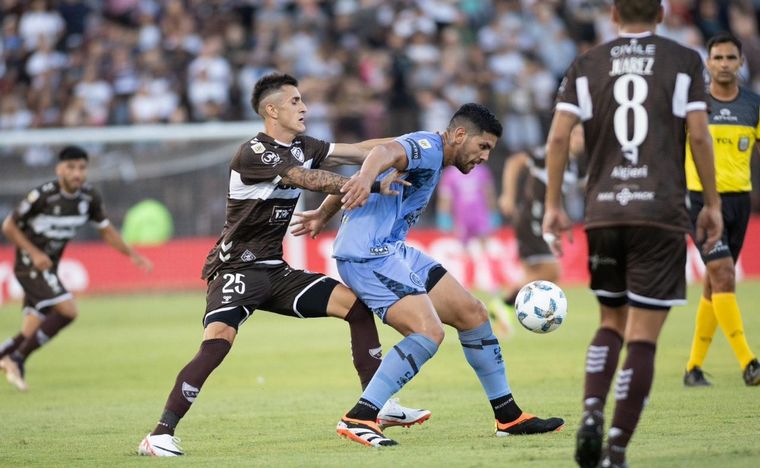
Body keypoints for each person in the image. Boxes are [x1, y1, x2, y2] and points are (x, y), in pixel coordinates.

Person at [137, 73, 428, 457]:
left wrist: (411, 147)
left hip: (276, 270)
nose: (304, 107)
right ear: (271, 110)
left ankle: (379, 404)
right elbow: (307, 179)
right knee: (218, 342)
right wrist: (370, 184)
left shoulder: (305, 144)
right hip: (236, 269)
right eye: (294, 101)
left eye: (302, 100)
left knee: (356, 308)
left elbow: (358, 150)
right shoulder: (254, 152)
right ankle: (159, 434)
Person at [292, 103, 564, 447]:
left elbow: (376, 167)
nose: (484, 156)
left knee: (473, 314)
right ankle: (361, 415)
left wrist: (322, 212)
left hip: (393, 248)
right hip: (367, 254)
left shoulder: (431, 151)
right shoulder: (428, 148)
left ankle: (508, 416)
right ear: (460, 135)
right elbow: (380, 152)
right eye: (483, 147)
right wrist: (360, 180)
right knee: (428, 333)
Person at [542, 1, 723, 467]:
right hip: (660, 212)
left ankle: (589, 413)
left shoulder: (586, 65)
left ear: (614, 15)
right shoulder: (684, 60)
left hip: (604, 212)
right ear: (661, 15)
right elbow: (700, 137)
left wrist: (554, 206)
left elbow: (559, 137)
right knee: (643, 337)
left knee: (610, 324)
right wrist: (713, 203)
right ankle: (616, 449)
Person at [0, 145, 153, 391]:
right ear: (59, 169)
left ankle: (10, 356)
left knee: (29, 330)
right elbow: (9, 226)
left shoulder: (89, 198)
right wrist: (35, 252)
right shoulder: (43, 196)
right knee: (68, 310)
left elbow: (106, 230)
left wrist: (132, 254)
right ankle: (16, 359)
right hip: (31, 264)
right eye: (71, 167)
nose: (77, 173)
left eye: (82, 167)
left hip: (48, 267)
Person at [682, 32, 760, 387]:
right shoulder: (693, 106)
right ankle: (749, 362)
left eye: (731, 58)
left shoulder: (753, 106)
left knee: (716, 284)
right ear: (708, 63)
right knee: (725, 274)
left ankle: (693, 368)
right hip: (699, 202)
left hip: (739, 202)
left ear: (741, 63)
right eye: (719, 58)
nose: (725, 64)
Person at [498, 125, 586, 308]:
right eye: (576, 134)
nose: (580, 139)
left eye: (583, 135)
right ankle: (503, 304)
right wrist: (508, 195)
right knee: (551, 271)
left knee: (533, 272)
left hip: (542, 222)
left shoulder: (574, 165)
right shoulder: (550, 153)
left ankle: (504, 308)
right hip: (533, 218)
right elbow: (515, 162)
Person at [435, 163, 513, 337]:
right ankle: (462, 290)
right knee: (463, 256)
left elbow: (489, 193)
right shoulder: (450, 174)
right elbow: (445, 197)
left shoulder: (482, 171)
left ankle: (494, 288)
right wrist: (444, 216)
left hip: (480, 216)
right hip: (461, 218)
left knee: (485, 253)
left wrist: (493, 213)